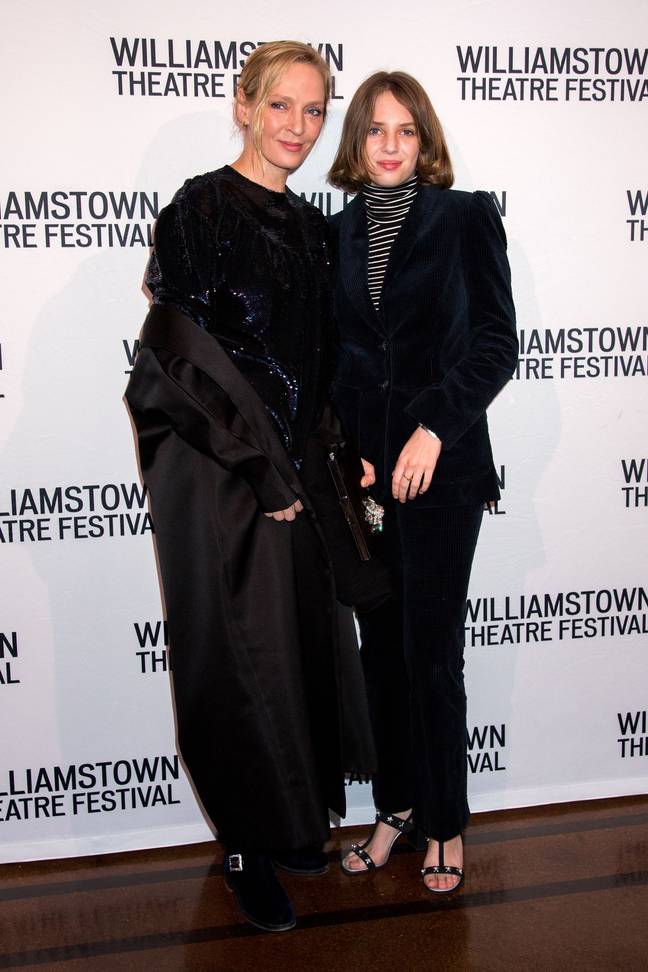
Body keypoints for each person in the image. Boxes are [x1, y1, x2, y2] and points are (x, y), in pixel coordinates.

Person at [125, 41, 374, 932]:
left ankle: (291, 822)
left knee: (298, 644)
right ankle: (242, 846)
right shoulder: (199, 209)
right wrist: (257, 466)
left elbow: (313, 360)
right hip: (219, 468)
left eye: (314, 112)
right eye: (281, 107)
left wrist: (339, 454)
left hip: (295, 467)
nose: (298, 129)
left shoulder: (310, 226)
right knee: (233, 653)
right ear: (243, 106)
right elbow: (178, 361)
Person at [328, 71, 518, 893]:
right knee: (380, 658)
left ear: (426, 138)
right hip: (368, 481)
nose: (392, 144)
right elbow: (337, 359)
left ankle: (445, 820)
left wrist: (432, 427)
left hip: (441, 470)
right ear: (356, 142)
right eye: (375, 129)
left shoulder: (465, 215)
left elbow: (495, 344)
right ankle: (395, 803)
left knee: (431, 652)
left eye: (406, 129)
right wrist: (353, 450)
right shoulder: (333, 233)